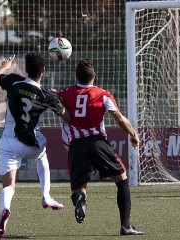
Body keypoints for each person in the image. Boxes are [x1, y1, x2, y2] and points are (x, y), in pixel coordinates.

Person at [58, 59, 144, 235]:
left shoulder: (65, 93)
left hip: (76, 145)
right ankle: (125, 226)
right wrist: (133, 135)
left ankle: (81, 198)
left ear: (76, 76)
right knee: (122, 179)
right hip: (97, 143)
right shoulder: (102, 94)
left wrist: (54, 94)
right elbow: (119, 118)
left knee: (79, 186)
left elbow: (56, 103)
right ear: (94, 76)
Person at [0, 52, 71, 240]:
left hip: (8, 142)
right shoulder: (46, 96)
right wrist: (58, 98)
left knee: (9, 185)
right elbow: (67, 117)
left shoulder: (13, 81)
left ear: (25, 70)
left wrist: (5, 66)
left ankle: (5, 210)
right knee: (42, 154)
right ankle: (46, 195)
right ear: (43, 71)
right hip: (30, 145)